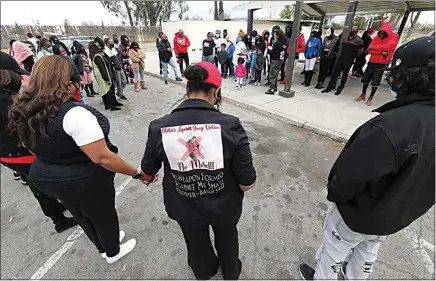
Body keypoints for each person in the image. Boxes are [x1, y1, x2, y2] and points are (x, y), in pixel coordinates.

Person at [299, 35, 435, 281]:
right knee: (367, 252)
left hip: (358, 214)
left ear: (409, 76)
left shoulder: (392, 126)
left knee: (334, 252)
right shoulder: (407, 122)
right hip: (394, 215)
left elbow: (349, 177)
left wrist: (337, 194)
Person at [8, 55, 150, 264]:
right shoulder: (74, 114)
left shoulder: (26, 107)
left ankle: (102, 245)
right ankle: (112, 251)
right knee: (103, 215)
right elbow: (102, 156)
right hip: (82, 179)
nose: (80, 83)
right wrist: (136, 173)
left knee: (80, 213)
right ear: (66, 81)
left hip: (46, 175)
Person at [140, 61, 256, 280]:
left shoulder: (159, 126)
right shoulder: (230, 125)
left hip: (184, 206)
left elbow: (148, 170)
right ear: (216, 91)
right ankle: (231, 272)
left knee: (195, 240)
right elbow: (247, 181)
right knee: (227, 236)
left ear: (187, 89)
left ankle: (204, 271)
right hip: (224, 206)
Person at [0, 52, 78, 233]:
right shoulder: (5, 102)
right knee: (44, 183)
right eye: (16, 74)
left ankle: (57, 210)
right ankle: (59, 219)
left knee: (35, 182)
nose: (20, 77)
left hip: (8, 155)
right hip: (20, 153)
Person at [356, 23, 399, 106]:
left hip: (381, 64)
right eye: (380, 33)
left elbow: (388, 48)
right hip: (372, 62)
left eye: (384, 33)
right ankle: (363, 95)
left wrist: (375, 49)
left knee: (375, 82)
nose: (382, 35)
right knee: (366, 79)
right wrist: (381, 51)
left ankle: (370, 98)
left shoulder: (394, 37)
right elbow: (370, 49)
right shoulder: (376, 37)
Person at [321, 25, 363, 95]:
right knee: (334, 74)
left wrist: (353, 57)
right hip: (341, 58)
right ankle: (329, 87)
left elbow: (359, 52)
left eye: (354, 29)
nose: (352, 30)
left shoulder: (359, 41)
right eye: (352, 29)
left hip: (349, 60)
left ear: (357, 31)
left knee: (344, 75)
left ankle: (339, 89)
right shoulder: (345, 38)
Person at [90, 40, 122, 111]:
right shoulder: (97, 56)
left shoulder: (100, 54)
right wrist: (107, 78)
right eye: (98, 46)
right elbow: (102, 69)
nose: (100, 47)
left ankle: (113, 103)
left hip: (107, 73)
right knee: (107, 90)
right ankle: (110, 106)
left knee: (111, 88)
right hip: (102, 76)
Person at [265, 29, 286, 95]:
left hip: (276, 59)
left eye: (275, 34)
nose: (274, 35)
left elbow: (273, 52)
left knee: (272, 74)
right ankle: (274, 87)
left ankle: (272, 89)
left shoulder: (278, 43)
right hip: (281, 59)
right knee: (275, 73)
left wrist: (269, 50)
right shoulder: (284, 41)